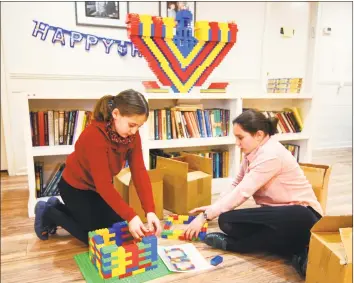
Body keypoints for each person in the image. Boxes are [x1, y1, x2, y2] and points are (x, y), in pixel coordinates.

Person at [184, 109, 322, 278]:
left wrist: (205, 216)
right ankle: (296, 250)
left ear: (258, 135)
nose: (237, 143)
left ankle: (237, 245)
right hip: (277, 218)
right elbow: (236, 183)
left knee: (230, 219)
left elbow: (242, 192)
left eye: (240, 137)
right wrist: (214, 207)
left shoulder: (271, 155)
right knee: (226, 220)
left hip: (303, 216)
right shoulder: (251, 152)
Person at [34, 89, 162, 245]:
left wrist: (150, 210)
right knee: (92, 237)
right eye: (132, 125)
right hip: (75, 187)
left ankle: (60, 208)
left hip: (97, 189)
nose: (134, 131)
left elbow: (139, 172)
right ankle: (49, 212)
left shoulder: (132, 136)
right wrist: (132, 216)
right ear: (116, 114)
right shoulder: (94, 136)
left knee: (118, 228)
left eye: (139, 127)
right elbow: (103, 185)